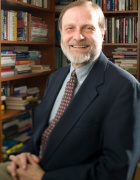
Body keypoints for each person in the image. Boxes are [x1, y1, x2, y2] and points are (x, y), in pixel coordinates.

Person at [0, 1, 140, 180]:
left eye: (88, 28)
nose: (78, 36)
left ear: (102, 34)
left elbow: (117, 171)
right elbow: (45, 133)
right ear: (61, 34)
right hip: (31, 165)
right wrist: (23, 155)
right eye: (70, 28)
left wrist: (43, 178)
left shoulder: (125, 88)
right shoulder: (56, 77)